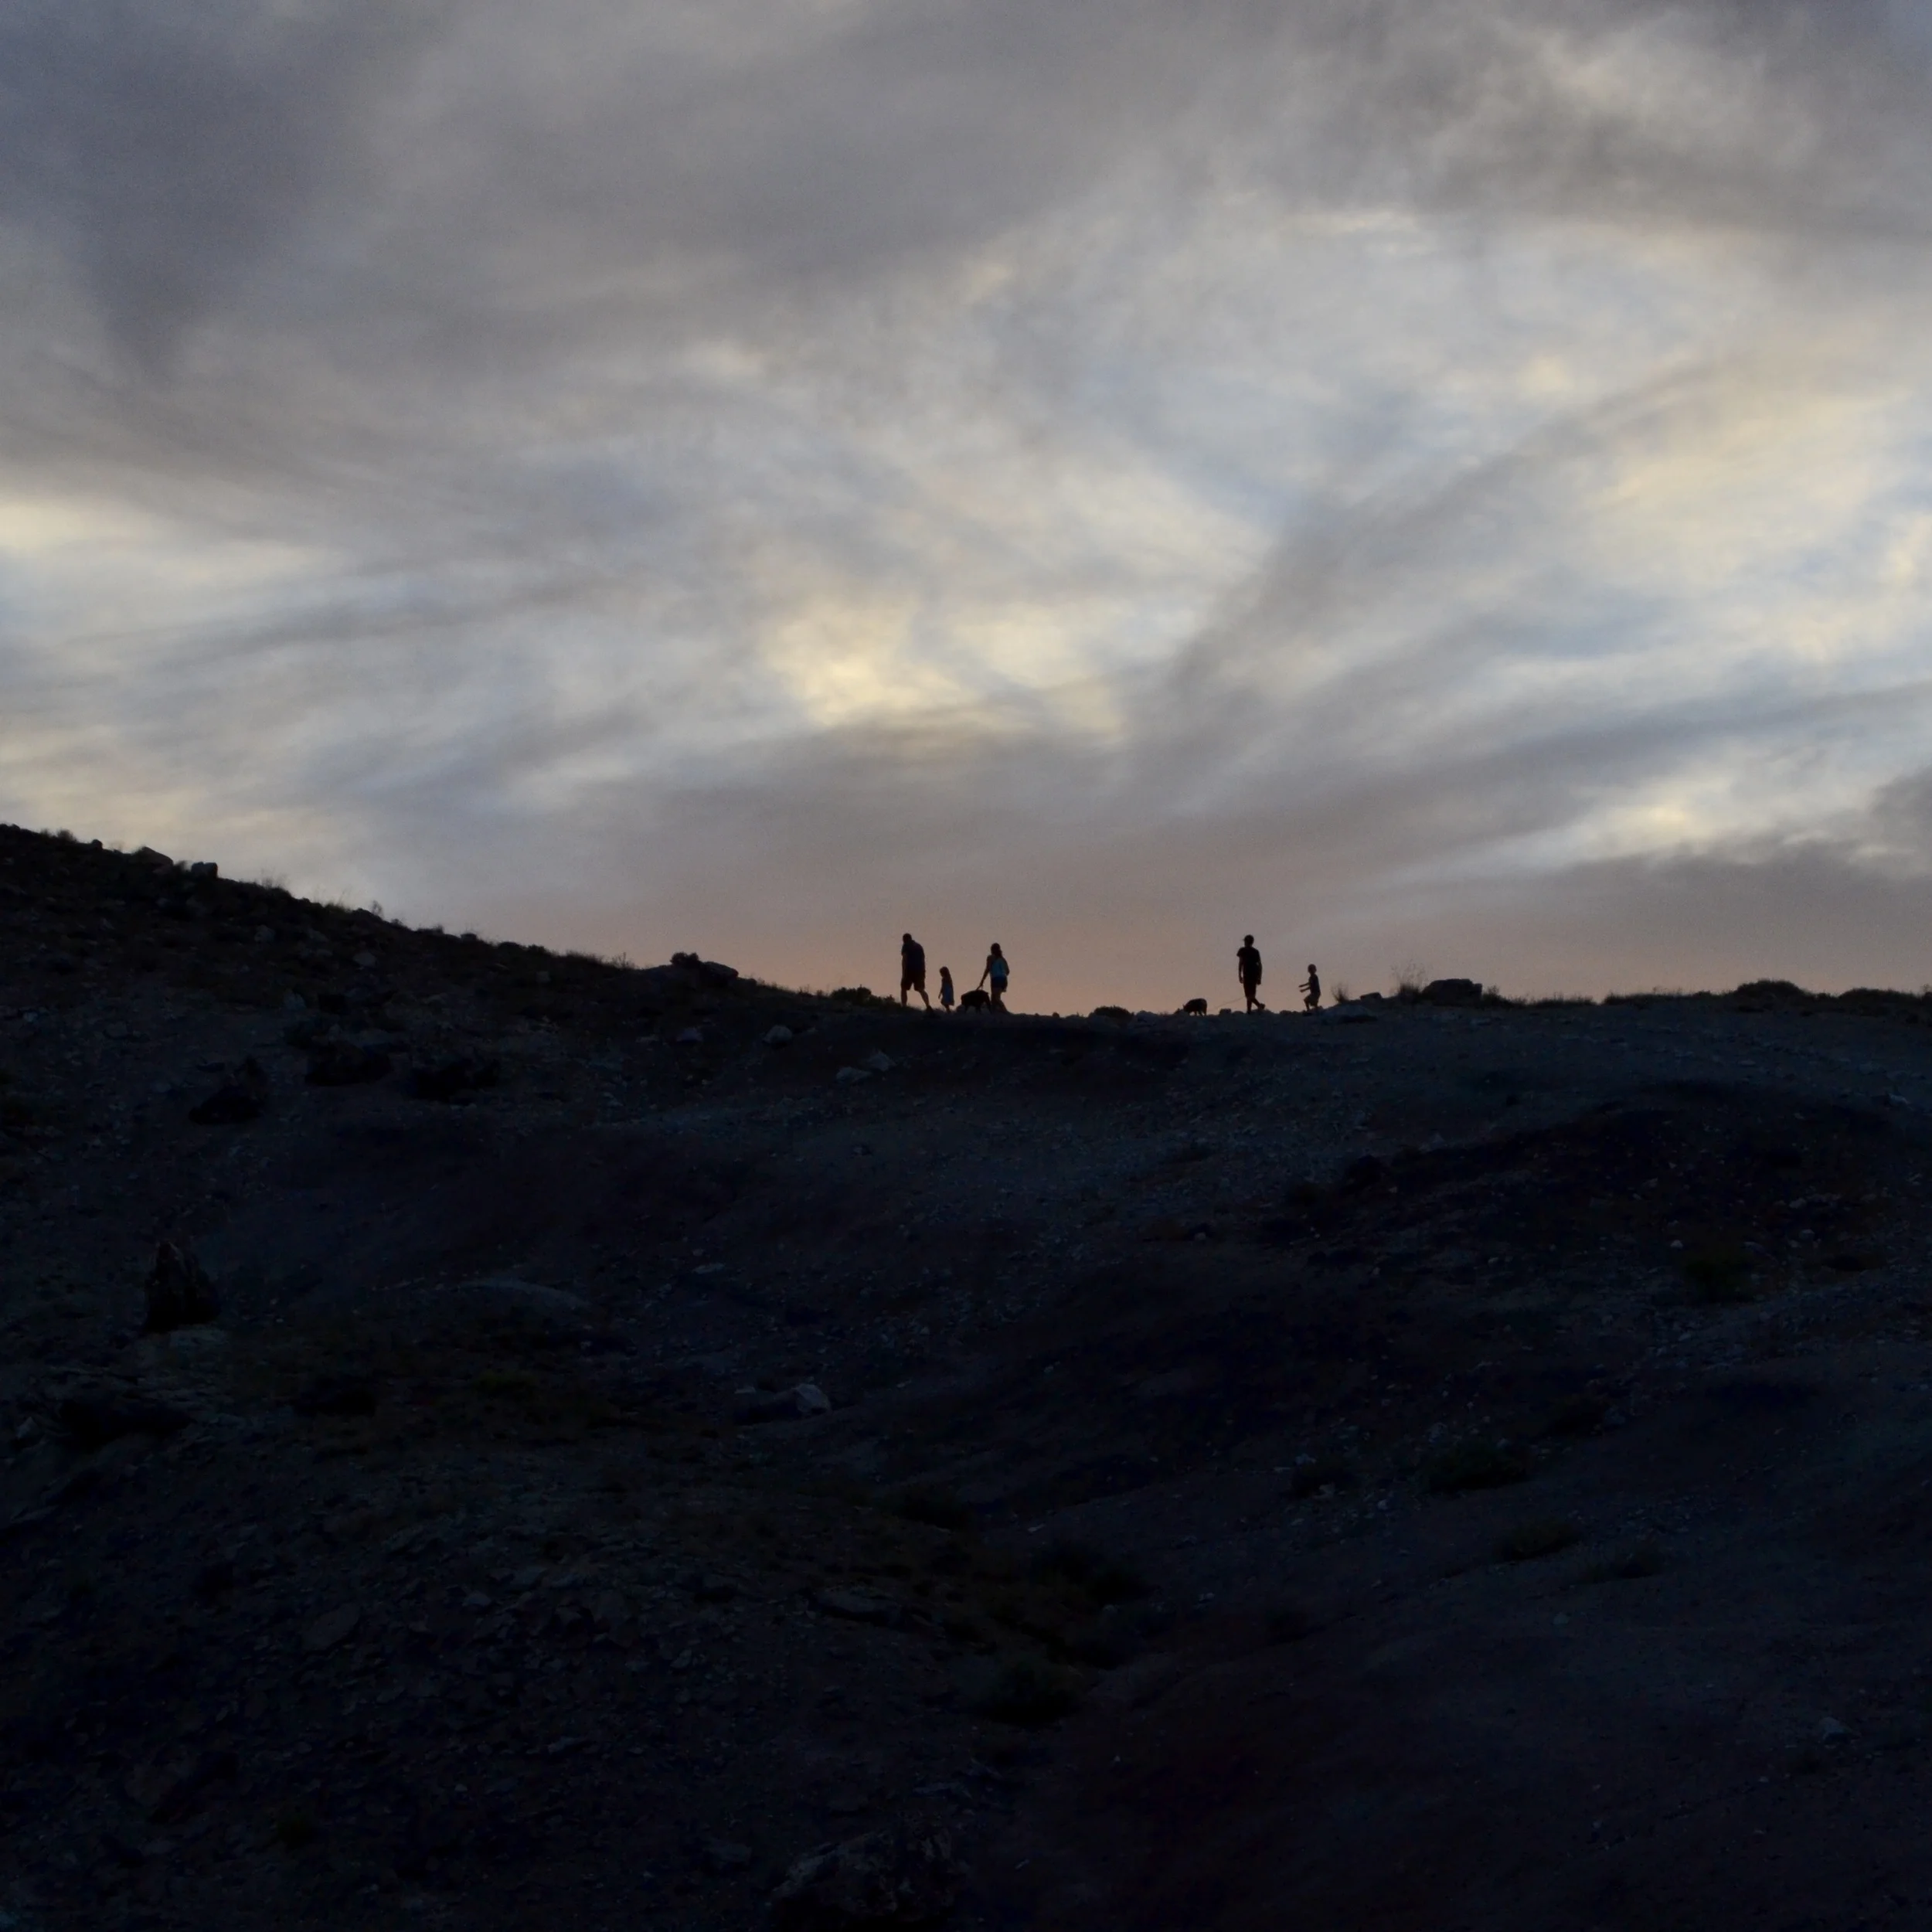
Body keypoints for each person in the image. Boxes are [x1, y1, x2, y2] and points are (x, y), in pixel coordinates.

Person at [900, 933, 930, 1009]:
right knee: (921, 989)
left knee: (904, 988)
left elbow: (905, 959)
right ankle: (928, 1006)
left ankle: (904, 1006)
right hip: (920, 971)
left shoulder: (906, 945)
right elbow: (923, 959)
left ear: (905, 939)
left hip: (909, 970)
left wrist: (903, 972)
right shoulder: (919, 946)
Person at [1236, 934, 1265, 1012]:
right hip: (1253, 974)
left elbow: (1240, 963)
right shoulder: (1255, 952)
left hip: (1249, 974)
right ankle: (1252, 1009)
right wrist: (1259, 977)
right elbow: (1260, 966)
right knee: (1250, 994)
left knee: (1249, 994)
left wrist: (1240, 975)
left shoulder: (1243, 951)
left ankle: (1253, 1008)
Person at [978, 942, 1010, 1012]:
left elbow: (988, 968)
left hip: (996, 979)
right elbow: (1008, 972)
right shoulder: (1003, 959)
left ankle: (1005, 1012)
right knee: (993, 999)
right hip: (1004, 980)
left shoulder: (991, 957)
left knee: (996, 998)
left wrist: (982, 980)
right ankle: (994, 1013)